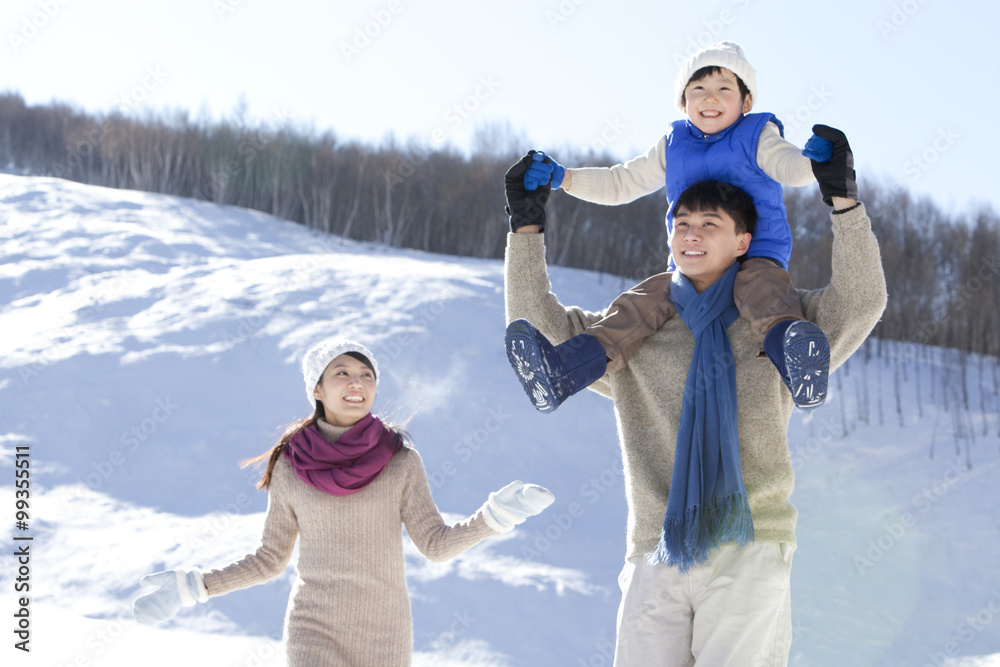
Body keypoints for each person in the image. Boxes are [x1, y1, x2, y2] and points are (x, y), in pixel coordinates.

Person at [500, 132, 886, 664]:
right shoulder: (634, 330)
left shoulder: (785, 326)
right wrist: (526, 226)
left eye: (710, 225)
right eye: (682, 224)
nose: (692, 234)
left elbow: (862, 300)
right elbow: (539, 331)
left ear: (743, 241)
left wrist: (844, 202)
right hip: (657, 548)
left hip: (749, 545)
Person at [132, 339, 554, 666]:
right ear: (317, 388)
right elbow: (269, 559)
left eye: (366, 374)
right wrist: (194, 587)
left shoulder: (400, 462)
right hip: (313, 628)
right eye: (342, 373)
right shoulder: (291, 465)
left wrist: (496, 516)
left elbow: (435, 545)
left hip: (385, 636)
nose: (357, 382)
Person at [504, 41, 845, 413]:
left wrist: (812, 162)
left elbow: (786, 165)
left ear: (746, 103)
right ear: (683, 102)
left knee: (765, 295)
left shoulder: (756, 134)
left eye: (724, 89)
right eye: (698, 89)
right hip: (691, 265)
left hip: (755, 255)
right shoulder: (674, 143)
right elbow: (623, 181)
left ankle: (797, 360)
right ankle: (564, 371)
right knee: (638, 305)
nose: (709, 98)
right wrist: (566, 177)